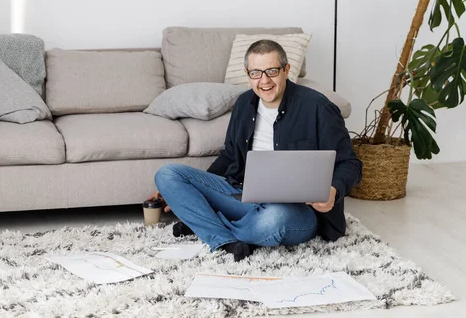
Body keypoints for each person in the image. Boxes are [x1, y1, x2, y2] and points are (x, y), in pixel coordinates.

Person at [150, 39, 362, 261]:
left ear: (286, 70)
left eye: (272, 71)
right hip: (242, 197)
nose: (264, 81)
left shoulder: (318, 107)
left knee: (272, 221)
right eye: (256, 73)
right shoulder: (244, 103)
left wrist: (333, 191)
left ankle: (208, 226)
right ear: (247, 74)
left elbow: (351, 164)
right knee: (167, 174)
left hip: (294, 210)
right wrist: (195, 188)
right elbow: (230, 156)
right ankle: (227, 237)